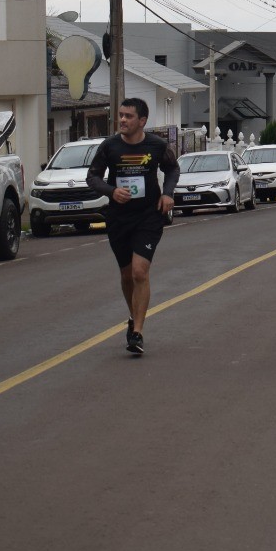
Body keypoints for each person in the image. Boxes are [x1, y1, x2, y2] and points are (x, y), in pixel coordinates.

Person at [85, 97, 178, 356]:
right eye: (121, 115)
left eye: (128, 116)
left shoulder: (157, 146)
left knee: (140, 272)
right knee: (127, 275)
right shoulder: (110, 146)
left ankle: (137, 332)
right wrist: (111, 191)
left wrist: (168, 193)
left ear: (142, 121)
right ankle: (132, 315)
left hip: (148, 216)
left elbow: (172, 169)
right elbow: (92, 177)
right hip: (119, 218)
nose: (122, 120)